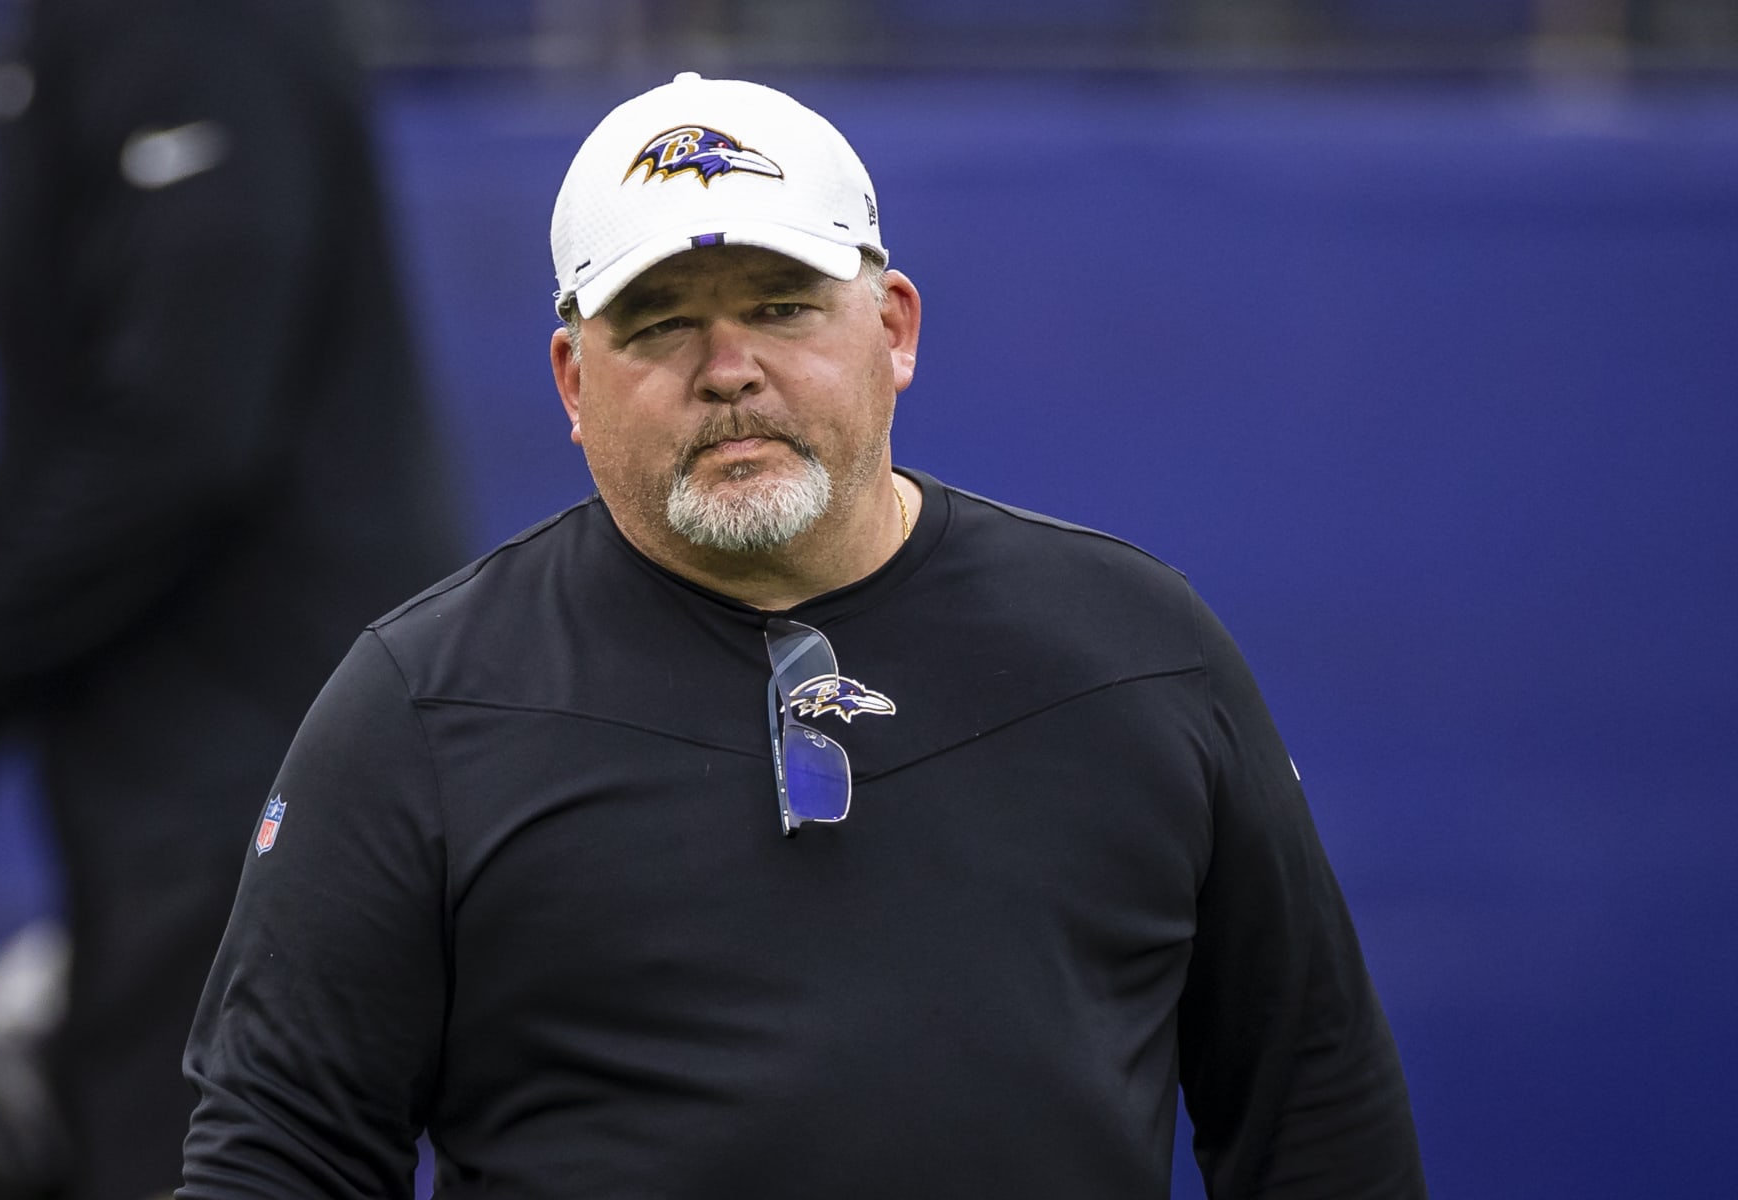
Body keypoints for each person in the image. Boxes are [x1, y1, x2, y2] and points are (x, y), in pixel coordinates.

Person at [179, 72, 1426, 1198]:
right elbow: (281, 1162)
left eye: (782, 305)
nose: (728, 369)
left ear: (892, 328)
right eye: (660, 322)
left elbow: (1319, 1127)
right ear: (571, 380)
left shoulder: (1139, 650)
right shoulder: (422, 705)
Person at [0, 1, 464, 1197]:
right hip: (160, 774)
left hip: (265, 768)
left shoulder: (205, 25)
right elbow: (73, 438)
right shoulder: (73, 40)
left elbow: (177, 429)